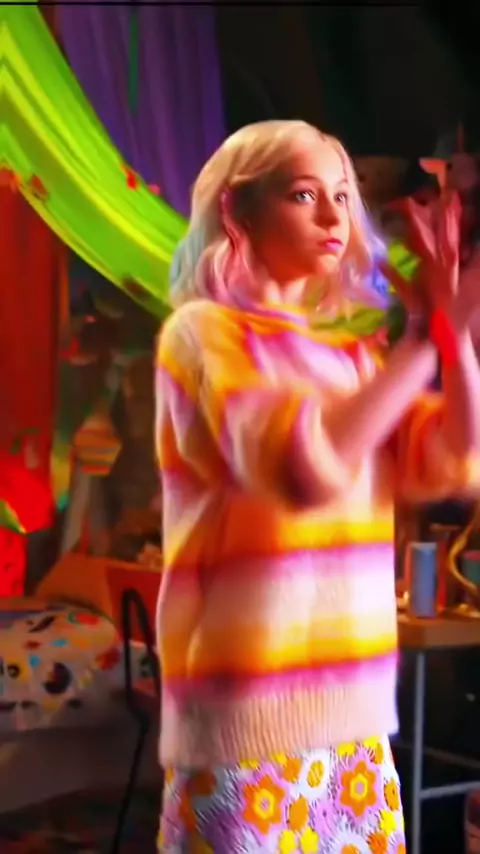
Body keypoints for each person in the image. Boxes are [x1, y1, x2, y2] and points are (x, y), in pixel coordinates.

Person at [155, 120, 480, 853]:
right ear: (237, 211)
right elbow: (304, 468)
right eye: (304, 194)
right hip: (244, 726)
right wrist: (423, 341)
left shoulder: (353, 362)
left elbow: (454, 459)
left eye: (342, 194)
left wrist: (451, 341)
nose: (335, 216)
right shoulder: (202, 336)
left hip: (355, 727)